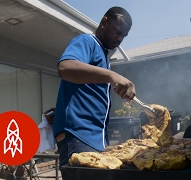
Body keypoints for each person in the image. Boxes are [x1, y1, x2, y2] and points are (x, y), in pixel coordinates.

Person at [53, 6, 135, 167]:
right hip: (78, 136)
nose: (120, 39)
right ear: (104, 22)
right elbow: (65, 68)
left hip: (94, 140)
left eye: (124, 36)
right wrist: (112, 76)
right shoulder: (86, 41)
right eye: (118, 32)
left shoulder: (103, 55)